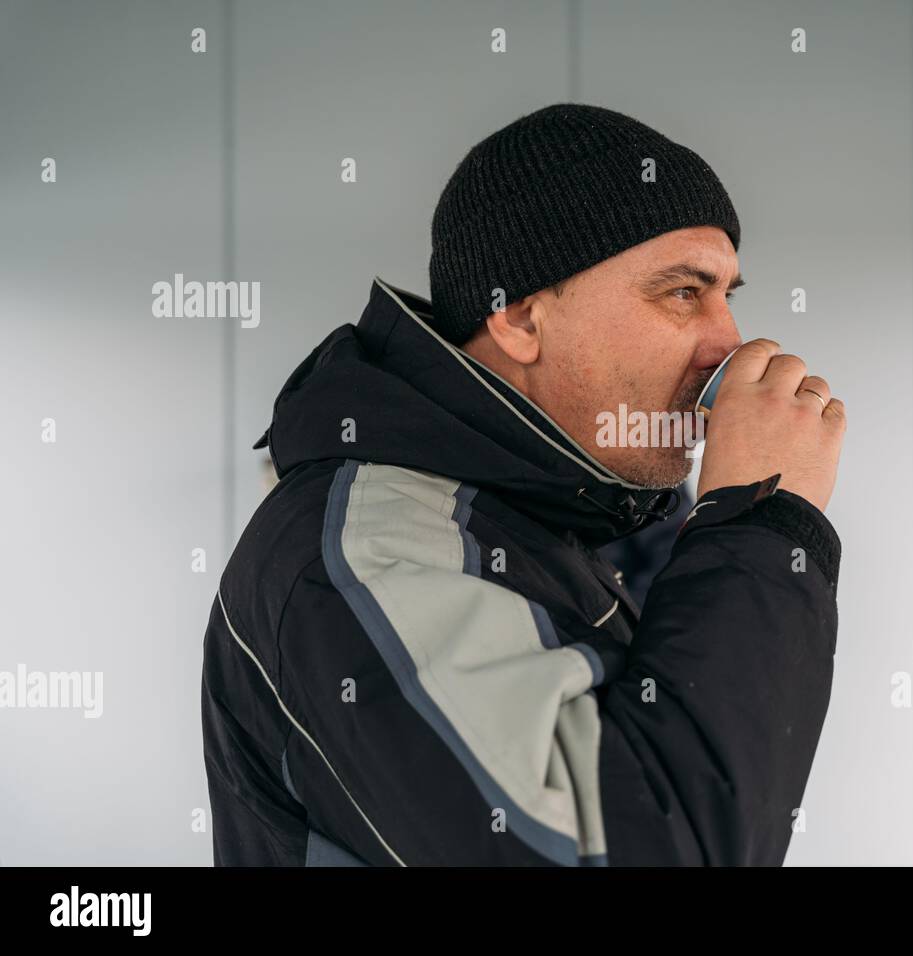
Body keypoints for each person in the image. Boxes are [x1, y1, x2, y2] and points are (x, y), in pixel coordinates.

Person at [200, 103, 846, 866]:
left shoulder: (545, 524)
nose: (729, 342)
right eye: (682, 292)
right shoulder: (370, 549)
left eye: (727, 295)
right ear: (519, 320)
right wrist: (762, 525)